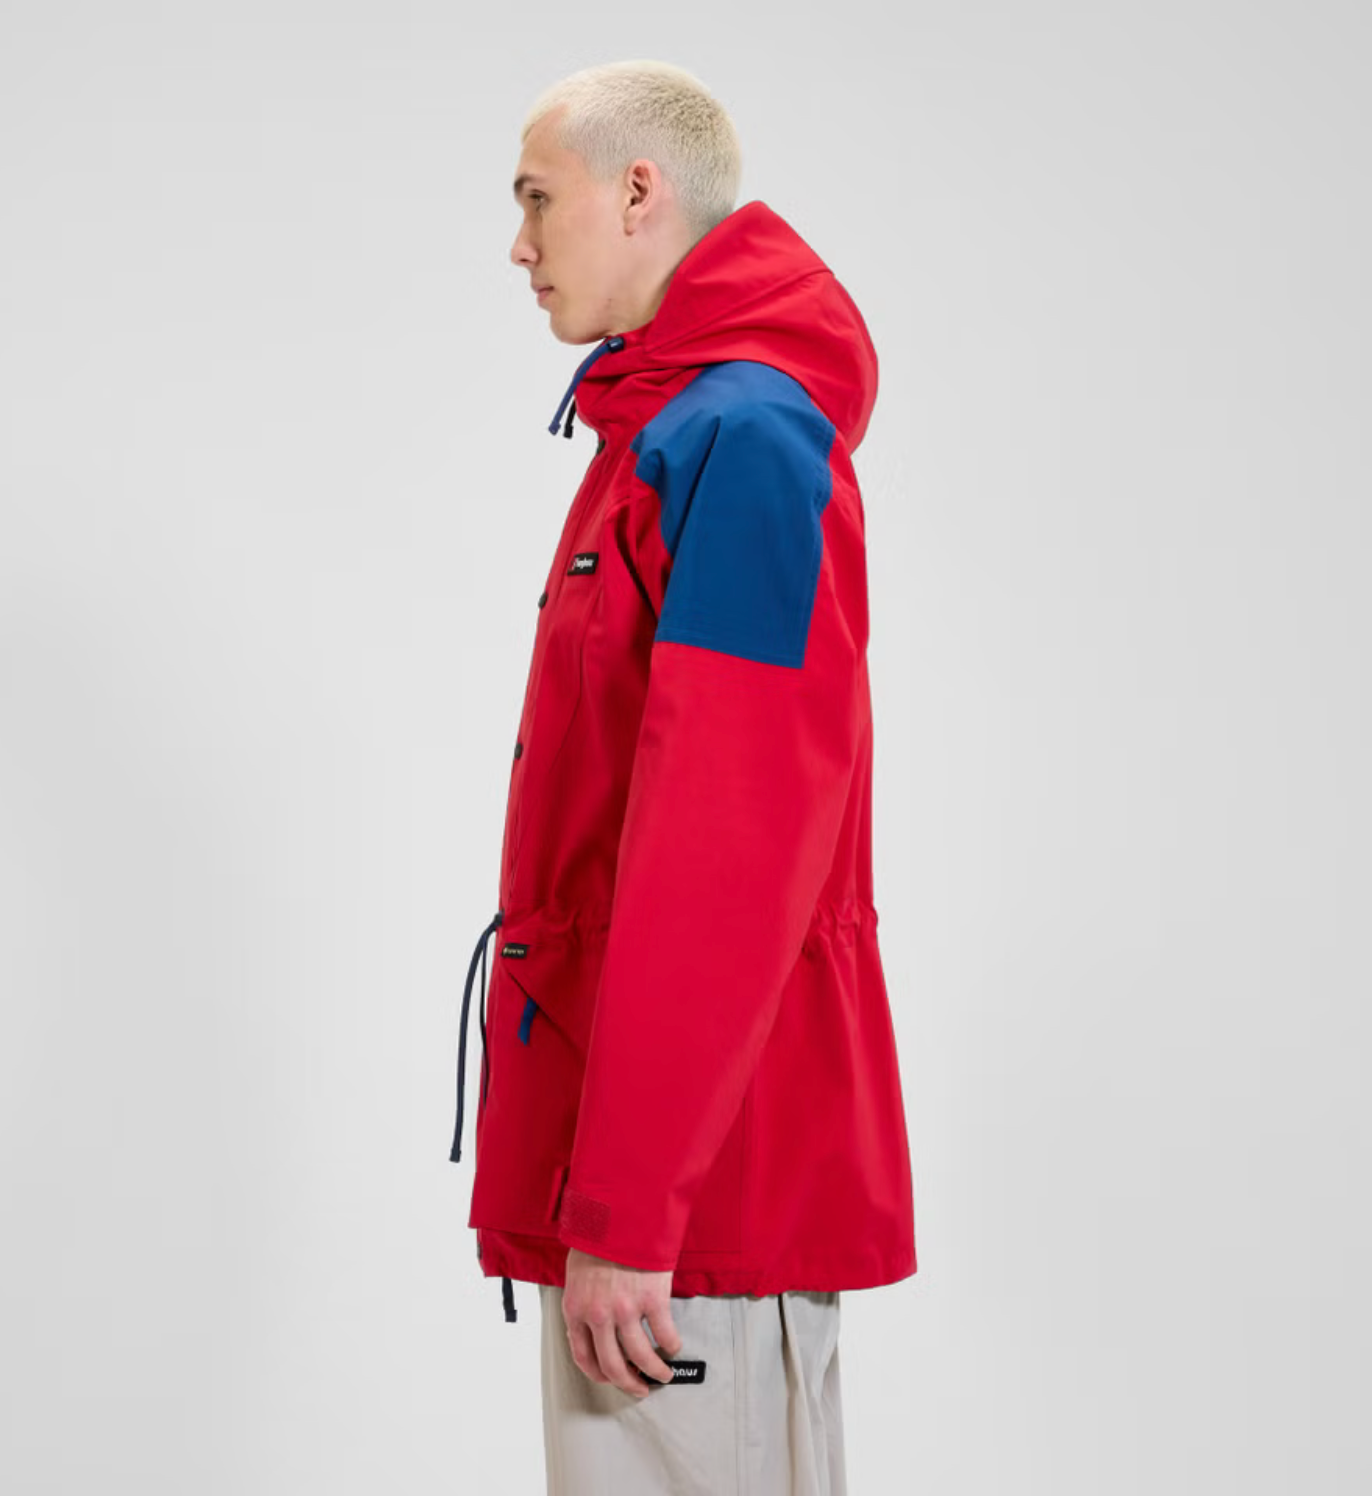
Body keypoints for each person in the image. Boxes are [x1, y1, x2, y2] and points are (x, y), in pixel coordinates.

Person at [449, 58, 917, 1494]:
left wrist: (632, 1209)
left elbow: (733, 837)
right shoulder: (667, 433)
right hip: (650, 1186)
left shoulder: (746, 444)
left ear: (638, 190)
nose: (519, 243)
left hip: (694, 1208)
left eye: (538, 199)